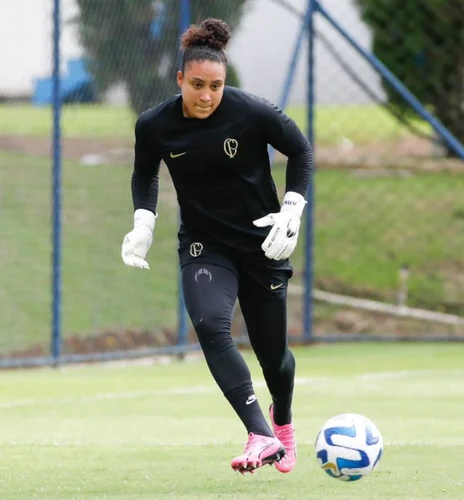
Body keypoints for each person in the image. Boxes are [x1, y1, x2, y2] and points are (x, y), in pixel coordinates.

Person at [120, 17, 312, 475]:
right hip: (205, 245)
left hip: (263, 246)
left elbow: (301, 151)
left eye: (217, 86)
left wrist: (292, 209)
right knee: (210, 325)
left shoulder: (251, 112)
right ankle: (260, 435)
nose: (207, 95)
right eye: (198, 85)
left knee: (274, 359)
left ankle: (280, 420)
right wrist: (143, 221)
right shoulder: (154, 125)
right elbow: (145, 171)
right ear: (180, 79)